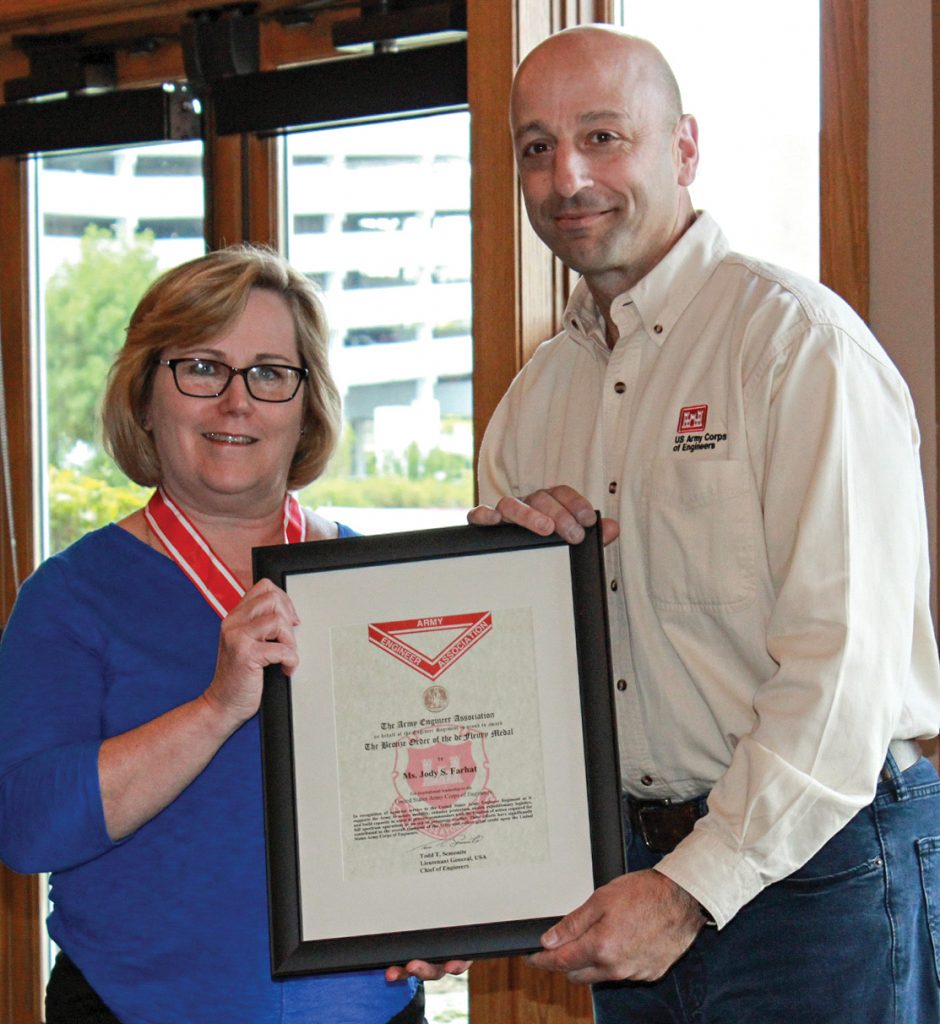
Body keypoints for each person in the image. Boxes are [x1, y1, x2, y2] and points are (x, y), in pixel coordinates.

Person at [469, 25, 940, 1023]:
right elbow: (513, 696)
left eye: (604, 136)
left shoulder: (796, 349)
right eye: (537, 147)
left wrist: (690, 887)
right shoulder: (530, 407)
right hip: (631, 872)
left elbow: (840, 672)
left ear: (683, 148)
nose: (568, 177)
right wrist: (510, 578)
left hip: (819, 870)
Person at [0, 245, 426, 1023]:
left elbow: (430, 790)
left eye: (269, 373)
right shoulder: (69, 597)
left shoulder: (371, 583)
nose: (237, 402)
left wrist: (453, 905)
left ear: (306, 404)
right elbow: (29, 828)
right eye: (202, 367)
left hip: (371, 1010)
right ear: (145, 396)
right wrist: (216, 706)